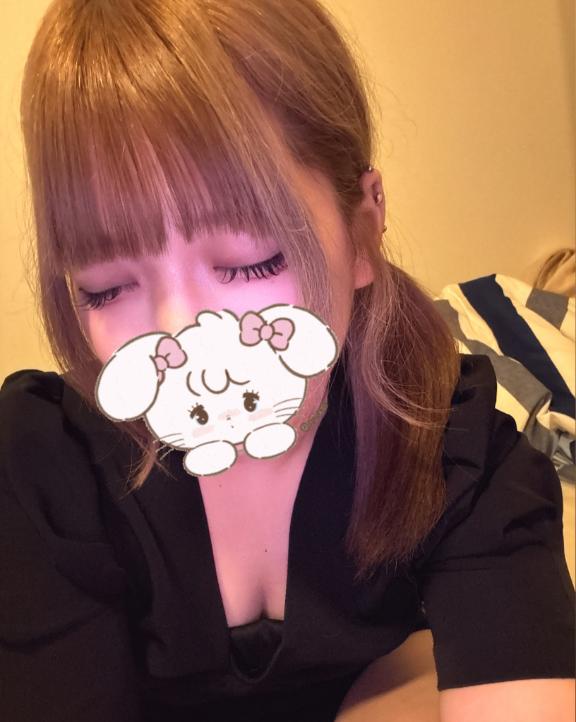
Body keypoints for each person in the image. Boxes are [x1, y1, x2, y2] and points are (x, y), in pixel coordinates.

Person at [0, 1, 574, 720]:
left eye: (250, 262)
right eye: (106, 287)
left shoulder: (458, 454)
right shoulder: (43, 467)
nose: (182, 332)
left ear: (362, 229)